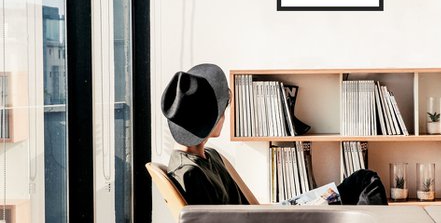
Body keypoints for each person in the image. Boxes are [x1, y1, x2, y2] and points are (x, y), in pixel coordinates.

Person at [161, 63, 388, 205]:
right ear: (212, 121)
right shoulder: (190, 175)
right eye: (224, 108)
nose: (226, 114)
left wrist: (301, 204)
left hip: (270, 218)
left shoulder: (210, 156)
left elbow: (254, 206)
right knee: (369, 183)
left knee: (364, 179)